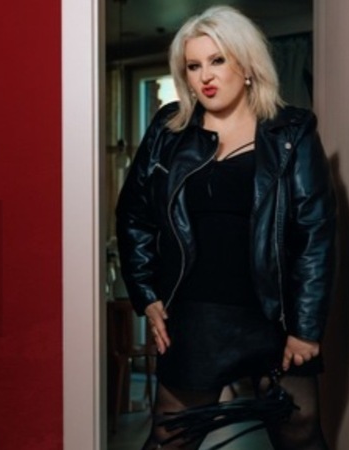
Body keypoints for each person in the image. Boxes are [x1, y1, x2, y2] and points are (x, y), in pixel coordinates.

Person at [116, 5, 336, 450]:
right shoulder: (168, 130)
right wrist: (146, 294)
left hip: (274, 317)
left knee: (300, 434)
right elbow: (134, 214)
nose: (205, 77)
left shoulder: (291, 131)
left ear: (247, 64)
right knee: (170, 439)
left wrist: (306, 327)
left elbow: (314, 234)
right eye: (193, 66)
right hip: (195, 317)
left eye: (217, 60)